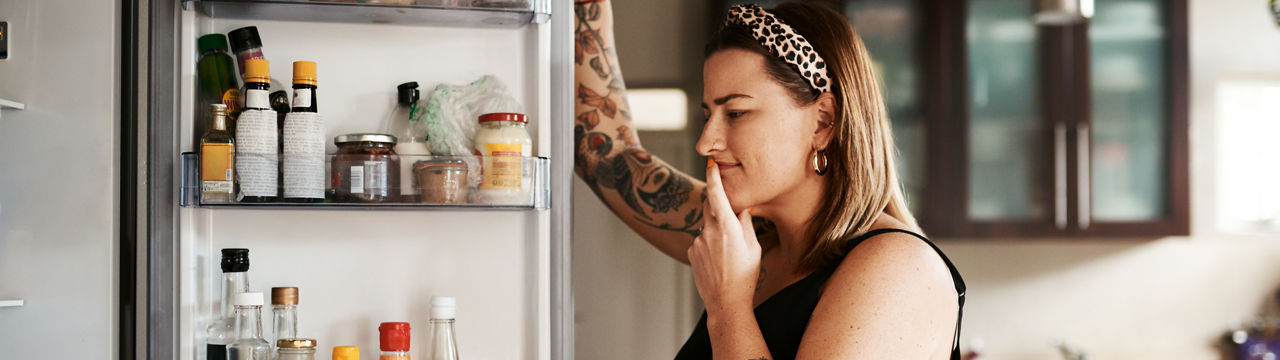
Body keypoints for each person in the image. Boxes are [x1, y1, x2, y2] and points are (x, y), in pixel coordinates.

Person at [573, 1, 966, 359]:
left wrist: (728, 307)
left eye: (737, 113)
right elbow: (608, 158)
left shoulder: (899, 270)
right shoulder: (750, 239)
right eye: (707, 113)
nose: (705, 142)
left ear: (823, 121)